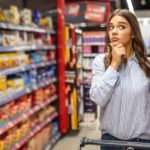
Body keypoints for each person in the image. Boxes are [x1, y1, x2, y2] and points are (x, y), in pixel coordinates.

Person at [90, 9, 150, 150]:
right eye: (111, 27)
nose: (114, 31)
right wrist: (114, 65)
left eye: (121, 27)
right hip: (109, 142)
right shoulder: (100, 62)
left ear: (133, 33)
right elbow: (97, 98)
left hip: (141, 143)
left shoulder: (147, 66)